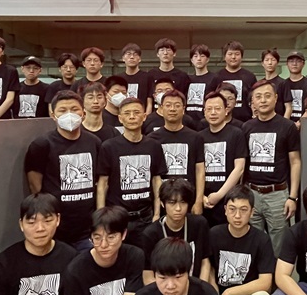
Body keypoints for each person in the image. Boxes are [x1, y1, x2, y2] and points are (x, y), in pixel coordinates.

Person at [25, 90, 102, 251]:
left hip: (87, 228)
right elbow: (35, 187)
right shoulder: (41, 145)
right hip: (57, 229)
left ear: (83, 113)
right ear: (53, 115)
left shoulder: (94, 142)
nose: (69, 114)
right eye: (62, 110)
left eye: (74, 109)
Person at [96, 97, 166, 247]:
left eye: (136, 112)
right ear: (120, 118)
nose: (132, 117)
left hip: (145, 217)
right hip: (117, 216)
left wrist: (157, 214)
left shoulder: (154, 146)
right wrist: (102, 216)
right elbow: (103, 184)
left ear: (144, 116)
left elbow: (156, 181)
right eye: (127, 113)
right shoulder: (108, 147)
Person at [243, 80, 301, 256]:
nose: (263, 100)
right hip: (251, 193)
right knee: (252, 243)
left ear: (276, 98)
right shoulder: (247, 127)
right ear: (252, 102)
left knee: (280, 247)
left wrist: (292, 197)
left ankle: (279, 275)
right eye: (258, 97)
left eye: (267, 96)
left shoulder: (287, 126)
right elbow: (242, 163)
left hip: (278, 194)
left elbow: (295, 162)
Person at [140, 178, 212, 285]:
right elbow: (148, 275)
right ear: (162, 204)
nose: (178, 208)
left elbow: (205, 262)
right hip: (165, 289)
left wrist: (201, 289)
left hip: (195, 288)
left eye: (183, 202)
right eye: (172, 203)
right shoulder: (151, 234)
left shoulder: (199, 224)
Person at [146, 90, 206, 210]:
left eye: (177, 105)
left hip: (187, 198)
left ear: (183, 109)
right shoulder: (152, 139)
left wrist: (198, 201)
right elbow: (153, 176)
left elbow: (200, 170)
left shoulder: (195, 137)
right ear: (161, 108)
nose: (172, 109)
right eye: (168, 105)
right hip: (163, 199)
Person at [199, 91, 248, 227]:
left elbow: (239, 168)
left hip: (228, 199)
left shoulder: (236, 133)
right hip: (204, 200)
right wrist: (201, 196)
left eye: (217, 108)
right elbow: (196, 170)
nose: (213, 112)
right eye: (209, 109)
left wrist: (219, 195)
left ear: (226, 110)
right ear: (204, 112)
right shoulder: (198, 137)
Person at [215, 41, 257, 123]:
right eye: (230, 54)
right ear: (224, 57)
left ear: (242, 57)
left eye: (237, 54)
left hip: (245, 121)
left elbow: (253, 99)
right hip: (222, 121)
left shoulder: (250, 76)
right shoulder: (217, 77)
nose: (233, 57)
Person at [117, 43, 153, 115]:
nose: (132, 57)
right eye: (128, 54)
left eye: (135, 54)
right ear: (123, 58)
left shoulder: (147, 77)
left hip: (142, 115)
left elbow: (149, 101)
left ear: (139, 59)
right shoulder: (118, 78)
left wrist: (147, 116)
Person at [186, 44, 218, 123]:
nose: (199, 59)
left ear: (207, 59)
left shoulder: (215, 78)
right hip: (189, 121)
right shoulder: (187, 79)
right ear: (191, 60)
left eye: (202, 56)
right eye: (195, 56)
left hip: (207, 121)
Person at [283, 51, 307, 124]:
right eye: (291, 61)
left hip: (305, 124)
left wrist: (300, 123)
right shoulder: (282, 85)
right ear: (287, 64)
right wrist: (286, 125)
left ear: (303, 64)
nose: (294, 64)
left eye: (298, 61)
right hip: (286, 125)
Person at [261, 49, 286, 116]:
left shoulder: (283, 83)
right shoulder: (260, 83)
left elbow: (288, 107)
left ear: (277, 63)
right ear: (262, 63)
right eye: (267, 60)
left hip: (279, 119)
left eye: (273, 60)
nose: (270, 63)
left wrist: (284, 122)